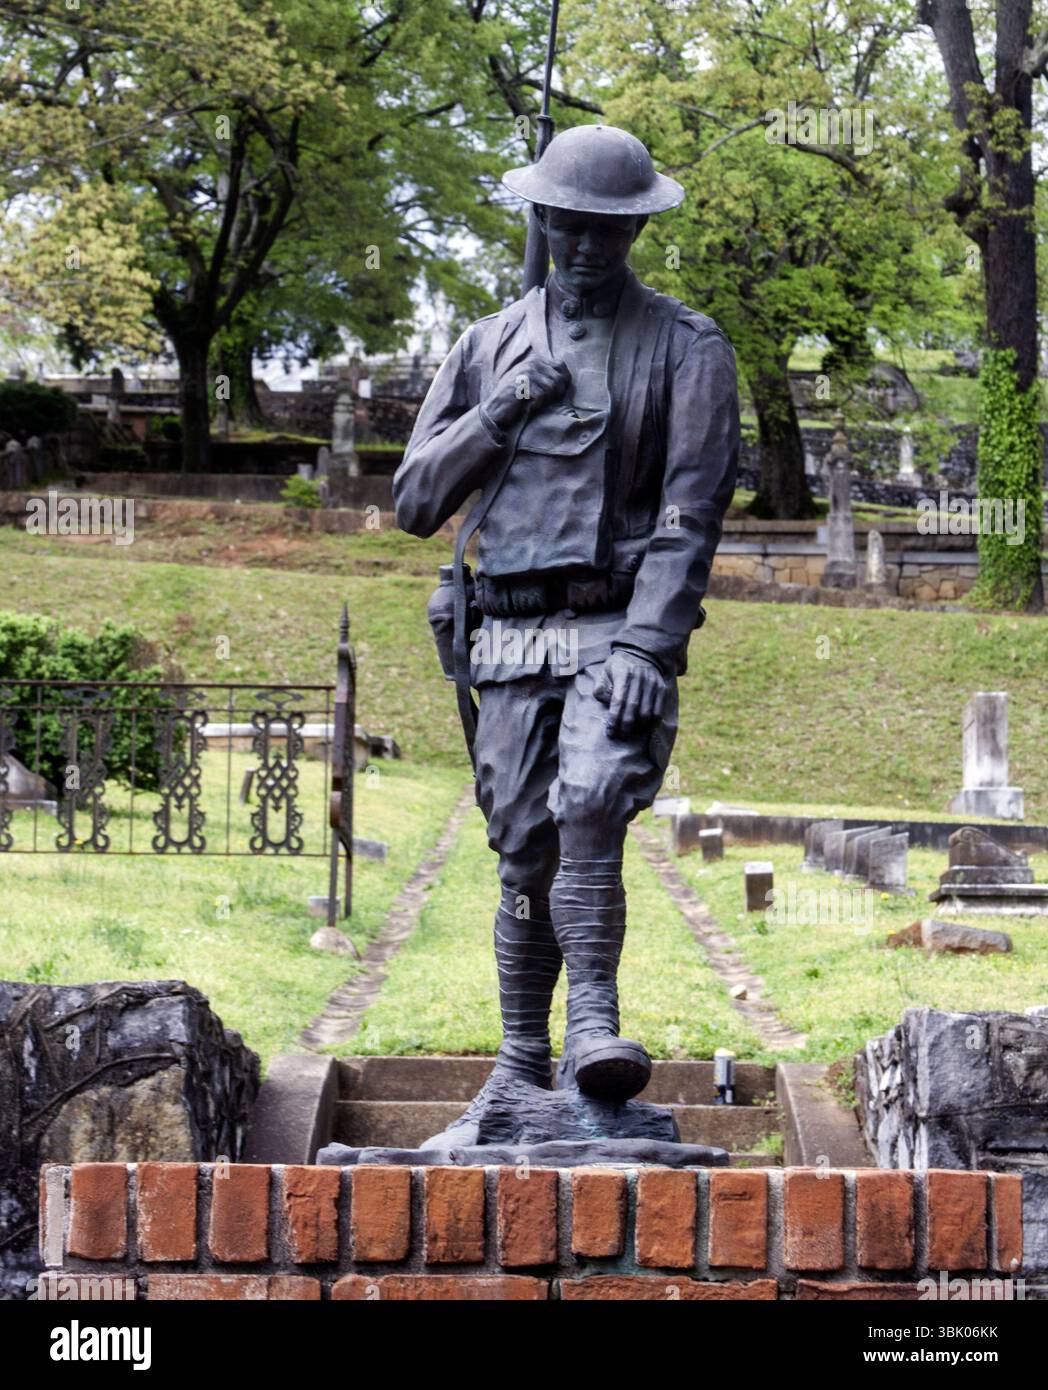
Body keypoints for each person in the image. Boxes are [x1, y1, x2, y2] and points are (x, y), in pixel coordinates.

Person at [393, 124, 740, 1134]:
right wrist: (499, 410)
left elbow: (690, 515)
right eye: (564, 226)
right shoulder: (484, 345)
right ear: (538, 220)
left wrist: (644, 644)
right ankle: (520, 1059)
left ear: (633, 230)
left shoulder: (686, 347)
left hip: (609, 624)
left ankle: (595, 1023)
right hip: (503, 634)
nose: (582, 246)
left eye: (604, 230)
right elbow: (415, 500)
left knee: (591, 796)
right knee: (521, 850)